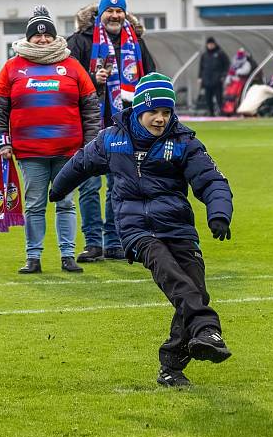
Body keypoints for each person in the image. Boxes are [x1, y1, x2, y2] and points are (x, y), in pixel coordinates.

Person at [49, 73, 234, 388]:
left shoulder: (184, 142)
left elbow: (211, 179)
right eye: (154, 112)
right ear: (137, 110)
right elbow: (81, 163)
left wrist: (219, 212)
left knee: (196, 290)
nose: (161, 119)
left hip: (178, 228)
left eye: (166, 112)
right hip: (136, 230)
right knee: (174, 277)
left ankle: (171, 366)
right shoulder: (112, 139)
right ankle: (207, 327)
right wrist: (58, 188)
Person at [0, 6, 100, 274]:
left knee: (65, 203)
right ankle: (33, 257)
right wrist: (2, 141)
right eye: (37, 36)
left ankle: (67, 255)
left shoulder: (72, 66)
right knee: (35, 204)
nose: (42, 40)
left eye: (47, 35)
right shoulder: (12, 67)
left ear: (54, 37)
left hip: (69, 152)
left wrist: (91, 145)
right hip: (30, 152)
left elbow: (91, 108)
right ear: (28, 38)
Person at [67, 0, 156, 263]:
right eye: (110, 11)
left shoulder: (136, 42)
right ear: (100, 13)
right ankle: (93, 243)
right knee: (90, 185)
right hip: (91, 126)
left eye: (119, 11)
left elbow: (151, 79)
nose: (115, 16)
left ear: (124, 13)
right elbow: (68, 82)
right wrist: (94, 80)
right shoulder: (80, 42)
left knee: (119, 185)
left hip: (126, 128)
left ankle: (115, 241)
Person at [197, 36, 230, 116]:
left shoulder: (220, 53)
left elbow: (227, 64)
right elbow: (201, 67)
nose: (210, 46)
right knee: (208, 98)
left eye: (212, 44)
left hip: (217, 80)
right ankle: (211, 113)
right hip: (207, 80)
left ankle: (222, 112)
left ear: (215, 44)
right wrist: (200, 77)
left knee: (219, 98)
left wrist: (223, 75)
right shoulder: (204, 55)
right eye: (209, 44)